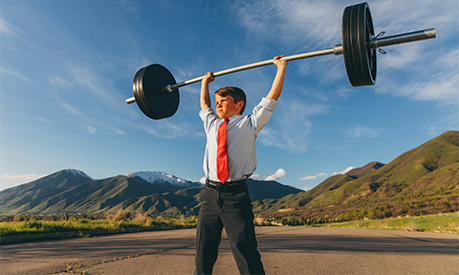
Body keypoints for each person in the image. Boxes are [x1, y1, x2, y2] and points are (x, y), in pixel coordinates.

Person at [195, 55, 288, 274]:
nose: (218, 105)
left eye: (223, 101)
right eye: (217, 102)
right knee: (203, 252)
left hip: (235, 196)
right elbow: (204, 103)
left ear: (239, 104)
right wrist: (204, 83)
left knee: (245, 251)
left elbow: (271, 98)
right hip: (209, 193)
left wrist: (281, 67)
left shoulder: (250, 123)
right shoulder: (211, 123)